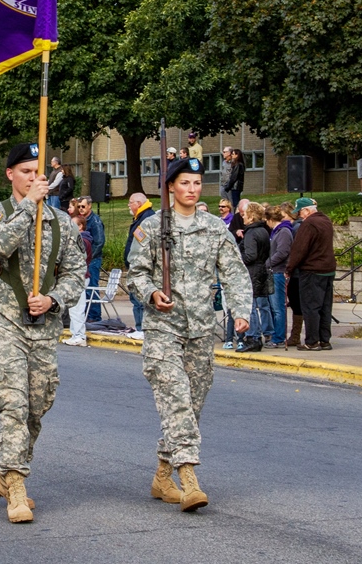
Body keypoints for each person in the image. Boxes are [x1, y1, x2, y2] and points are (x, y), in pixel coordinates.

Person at [127, 157, 251, 513]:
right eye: (184, 184)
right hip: (163, 328)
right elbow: (135, 273)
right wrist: (151, 292)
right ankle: (189, 478)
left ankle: (162, 475)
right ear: (170, 187)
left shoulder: (214, 228)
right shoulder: (151, 228)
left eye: (197, 184)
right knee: (177, 400)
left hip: (200, 329)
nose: (192, 190)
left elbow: (234, 272)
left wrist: (240, 310)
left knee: (190, 406)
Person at [0, 142, 86, 524]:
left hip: (43, 325)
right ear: (10, 175)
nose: (34, 179)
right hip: (4, 320)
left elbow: (76, 273)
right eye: (25, 172)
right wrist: (29, 206)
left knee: (38, 406)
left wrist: (54, 299)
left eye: (39, 173)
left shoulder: (61, 223)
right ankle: (18, 487)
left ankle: (7, 472)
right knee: (14, 404)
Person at [286, 197, 337, 351]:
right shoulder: (326, 221)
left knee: (311, 307)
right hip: (328, 270)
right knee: (325, 307)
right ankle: (325, 340)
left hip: (312, 271)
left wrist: (289, 268)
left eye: (300, 212)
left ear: (307, 210)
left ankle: (312, 342)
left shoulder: (309, 224)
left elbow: (299, 249)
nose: (299, 216)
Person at [235, 202, 273, 353]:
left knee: (249, 306)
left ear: (251, 216)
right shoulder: (263, 231)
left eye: (245, 214)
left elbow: (250, 255)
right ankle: (256, 336)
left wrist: (238, 259)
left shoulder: (251, 232)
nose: (242, 216)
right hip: (261, 270)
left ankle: (253, 337)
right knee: (258, 304)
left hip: (252, 271)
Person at [125, 193, 155, 339]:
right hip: (135, 263)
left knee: (139, 299)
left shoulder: (146, 219)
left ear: (138, 203)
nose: (129, 206)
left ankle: (141, 328)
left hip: (140, 266)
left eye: (130, 203)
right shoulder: (141, 217)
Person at [62, 213, 93, 347]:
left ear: (80, 226)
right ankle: (76, 334)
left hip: (80, 277)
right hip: (79, 277)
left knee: (77, 308)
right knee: (74, 308)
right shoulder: (80, 239)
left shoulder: (83, 241)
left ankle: (79, 335)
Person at [265, 205, 293, 348]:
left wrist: (267, 263)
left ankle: (279, 337)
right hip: (273, 271)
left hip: (278, 272)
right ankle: (276, 335)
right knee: (274, 307)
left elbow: (282, 253)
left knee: (278, 307)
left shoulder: (284, 232)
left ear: (270, 219)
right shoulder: (276, 232)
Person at [77, 196, 105, 321]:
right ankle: (88, 314)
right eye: (79, 207)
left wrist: (89, 257)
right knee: (86, 289)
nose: (80, 209)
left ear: (89, 206)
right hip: (86, 259)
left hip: (93, 259)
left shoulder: (95, 221)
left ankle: (94, 315)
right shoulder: (81, 220)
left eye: (83, 206)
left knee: (92, 287)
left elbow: (99, 242)